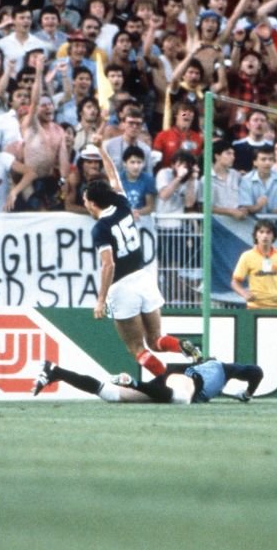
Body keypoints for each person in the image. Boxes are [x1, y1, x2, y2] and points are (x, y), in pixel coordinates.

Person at [82, 132, 202, 377]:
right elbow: (114, 176)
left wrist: (101, 299)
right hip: (143, 277)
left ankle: (167, 381)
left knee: (137, 348)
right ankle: (181, 346)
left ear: (93, 203)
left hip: (122, 287)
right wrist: (101, 148)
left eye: (85, 201)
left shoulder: (100, 228)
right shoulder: (123, 204)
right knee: (157, 339)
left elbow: (108, 265)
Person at [32, 358, 263, 404]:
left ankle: (56, 371)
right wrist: (248, 394)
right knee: (181, 399)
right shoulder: (222, 368)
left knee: (111, 395)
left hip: (169, 382)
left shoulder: (214, 375)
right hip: (182, 380)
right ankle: (133, 382)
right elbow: (256, 371)